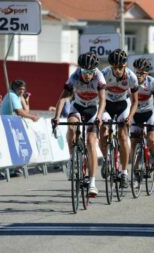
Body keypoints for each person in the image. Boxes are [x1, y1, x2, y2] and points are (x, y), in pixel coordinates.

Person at [51, 52, 106, 197]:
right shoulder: (74, 76)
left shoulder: (99, 77)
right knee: (71, 126)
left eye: (90, 72)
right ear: (80, 69)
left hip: (93, 109)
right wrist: (56, 117)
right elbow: (62, 99)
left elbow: (103, 100)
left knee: (90, 141)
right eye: (84, 71)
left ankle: (92, 182)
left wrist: (99, 117)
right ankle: (72, 159)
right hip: (78, 107)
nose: (87, 75)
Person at [99, 49, 139, 189]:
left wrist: (130, 116)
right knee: (103, 130)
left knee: (122, 136)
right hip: (107, 104)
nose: (117, 70)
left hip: (123, 105)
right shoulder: (104, 74)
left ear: (125, 66)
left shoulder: (131, 77)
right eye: (114, 67)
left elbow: (135, 102)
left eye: (120, 67)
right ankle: (106, 159)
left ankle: (124, 173)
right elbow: (98, 97)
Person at [130, 58, 154, 170]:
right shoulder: (130, 81)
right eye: (136, 72)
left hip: (149, 113)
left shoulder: (152, 82)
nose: (138, 75)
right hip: (135, 113)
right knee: (134, 141)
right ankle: (135, 169)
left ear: (146, 73)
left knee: (151, 139)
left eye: (141, 73)